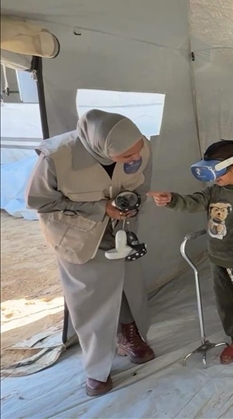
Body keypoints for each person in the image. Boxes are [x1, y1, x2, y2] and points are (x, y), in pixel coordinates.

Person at [25, 110, 155, 397]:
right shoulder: (56, 157)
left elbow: (142, 184)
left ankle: (130, 335)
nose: (136, 157)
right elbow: (39, 202)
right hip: (77, 235)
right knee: (90, 298)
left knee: (128, 284)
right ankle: (96, 367)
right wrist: (99, 208)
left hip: (121, 229)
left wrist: (133, 203)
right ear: (101, 147)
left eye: (138, 150)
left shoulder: (139, 146)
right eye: (127, 155)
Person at [148, 140, 233, 366]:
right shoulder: (214, 191)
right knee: (225, 303)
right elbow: (192, 202)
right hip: (217, 259)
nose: (214, 176)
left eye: (218, 170)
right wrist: (172, 199)